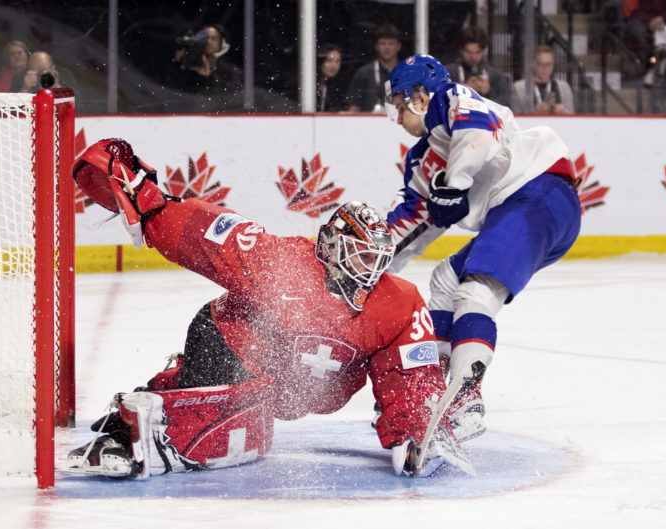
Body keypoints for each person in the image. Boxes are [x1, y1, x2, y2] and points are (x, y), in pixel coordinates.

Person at [66, 138, 476, 479]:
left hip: (286, 389)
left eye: (379, 262)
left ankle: (164, 401)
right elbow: (207, 235)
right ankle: (128, 427)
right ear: (333, 247)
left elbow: (407, 373)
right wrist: (152, 203)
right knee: (233, 425)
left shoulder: (399, 303)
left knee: (248, 419)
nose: (371, 273)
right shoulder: (282, 263)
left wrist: (417, 428)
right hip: (231, 340)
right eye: (362, 258)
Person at [383, 55, 581, 443]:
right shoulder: (421, 160)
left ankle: (465, 401)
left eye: (399, 105)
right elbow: (411, 227)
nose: (397, 116)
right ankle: (435, 386)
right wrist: (372, 267)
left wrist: (454, 185)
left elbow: (477, 137)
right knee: (445, 279)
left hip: (537, 192)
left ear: (420, 96)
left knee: (476, 290)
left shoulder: (451, 98)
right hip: (518, 212)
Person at [167, 24, 243, 112]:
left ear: (222, 44)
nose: (208, 42)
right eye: (204, 38)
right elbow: (171, 93)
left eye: (213, 39)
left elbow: (233, 98)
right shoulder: (187, 64)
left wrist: (210, 76)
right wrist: (178, 63)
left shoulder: (231, 70)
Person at [445, 26, 511, 108]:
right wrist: (460, 91)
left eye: (478, 52)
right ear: (461, 50)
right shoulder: (449, 73)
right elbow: (440, 103)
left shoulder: (495, 75)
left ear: (484, 51)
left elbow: (506, 106)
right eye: (468, 52)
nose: (473, 57)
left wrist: (489, 92)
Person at [347, 24, 402, 113]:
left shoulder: (406, 73)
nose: (387, 47)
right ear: (376, 46)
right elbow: (354, 108)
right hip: (369, 124)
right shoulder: (363, 73)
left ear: (398, 46)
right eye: (383, 43)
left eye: (391, 43)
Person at [511, 45, 575, 114]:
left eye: (549, 64)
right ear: (533, 64)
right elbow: (514, 116)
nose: (545, 68)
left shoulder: (564, 87)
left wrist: (563, 111)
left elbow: (573, 115)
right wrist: (533, 112)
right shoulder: (519, 88)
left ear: (553, 65)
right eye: (541, 64)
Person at [317, 44, 346, 112]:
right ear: (321, 61)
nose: (334, 66)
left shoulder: (339, 88)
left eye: (337, 61)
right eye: (329, 60)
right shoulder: (307, 84)